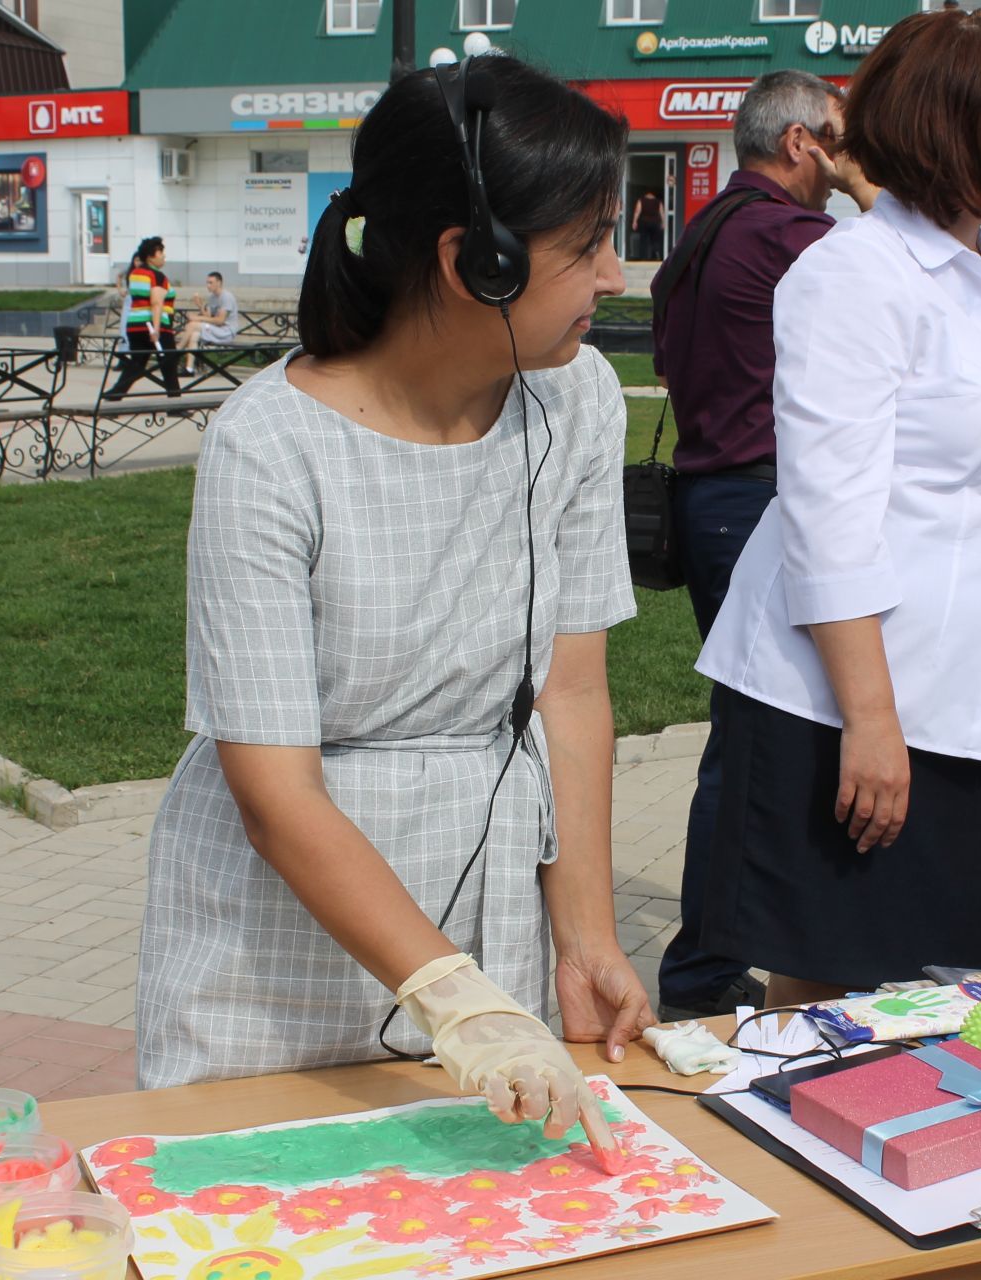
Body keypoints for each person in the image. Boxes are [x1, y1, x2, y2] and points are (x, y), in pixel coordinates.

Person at [135, 56, 652, 1148]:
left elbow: (571, 688)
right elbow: (277, 791)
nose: (617, 275)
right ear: (482, 264)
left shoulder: (580, 399)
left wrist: (586, 935)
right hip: (278, 943)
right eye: (589, 244)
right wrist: (457, 1001)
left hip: (482, 929)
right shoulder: (268, 448)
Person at [694, 9, 981, 1009]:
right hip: (838, 702)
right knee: (831, 999)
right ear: (943, 120)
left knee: (964, 999)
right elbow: (826, 515)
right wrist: (871, 719)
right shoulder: (850, 274)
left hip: (968, 706)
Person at [651, 68, 877, 1023]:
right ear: (801, 145)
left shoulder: (703, 232)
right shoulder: (793, 238)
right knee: (759, 754)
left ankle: (713, 961)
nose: (851, 157)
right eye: (839, 138)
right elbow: (893, 290)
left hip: (712, 497)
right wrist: (870, 194)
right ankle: (709, 970)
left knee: (744, 747)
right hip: (753, 504)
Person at [107, 237, 181, 399]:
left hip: (135, 324)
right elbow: (156, 303)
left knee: (137, 362)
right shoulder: (157, 276)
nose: (163, 256)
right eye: (160, 252)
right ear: (150, 256)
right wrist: (156, 329)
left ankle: (115, 393)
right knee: (169, 363)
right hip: (157, 326)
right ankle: (175, 404)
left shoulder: (135, 274)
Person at [176, 270, 239, 373]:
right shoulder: (212, 297)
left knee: (192, 325)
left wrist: (198, 319)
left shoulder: (226, 297)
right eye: (207, 283)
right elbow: (209, 317)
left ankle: (177, 351)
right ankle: (189, 368)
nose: (208, 285)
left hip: (226, 331)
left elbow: (219, 320)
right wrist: (200, 305)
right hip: (216, 329)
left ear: (219, 283)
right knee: (194, 335)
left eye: (211, 283)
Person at [630, 188, 664, 261]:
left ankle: (643, 257)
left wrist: (634, 221)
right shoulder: (658, 201)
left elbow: (637, 211)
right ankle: (655, 256)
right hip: (655, 223)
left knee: (643, 241)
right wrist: (663, 223)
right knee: (654, 240)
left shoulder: (641, 200)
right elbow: (661, 213)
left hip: (644, 223)